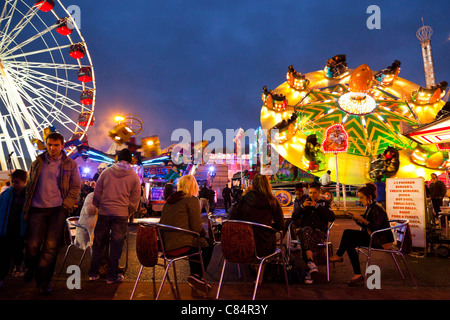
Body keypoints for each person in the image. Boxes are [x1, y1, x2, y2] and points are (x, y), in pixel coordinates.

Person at [23, 132, 81, 295]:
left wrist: (66, 205)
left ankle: (43, 281)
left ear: (62, 146)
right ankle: (32, 268)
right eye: (49, 145)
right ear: (46, 145)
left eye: (56, 145)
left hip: (57, 210)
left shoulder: (70, 164)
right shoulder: (37, 163)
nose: (52, 148)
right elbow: (30, 184)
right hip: (37, 208)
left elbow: (75, 186)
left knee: (51, 248)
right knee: (32, 245)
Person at [88, 148, 141, 284]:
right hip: (121, 214)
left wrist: (98, 204)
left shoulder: (106, 172)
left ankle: (93, 273)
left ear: (118, 159)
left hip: (105, 211)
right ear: (130, 161)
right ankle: (112, 276)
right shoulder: (134, 176)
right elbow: (135, 199)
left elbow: (97, 190)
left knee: (99, 243)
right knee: (116, 245)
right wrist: (129, 211)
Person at [329, 183, 394, 285]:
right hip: (374, 236)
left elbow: (375, 227)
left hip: (380, 240)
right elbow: (365, 225)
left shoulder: (377, 209)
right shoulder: (370, 207)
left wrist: (361, 220)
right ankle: (357, 274)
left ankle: (339, 255)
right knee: (349, 243)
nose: (360, 200)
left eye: (361, 198)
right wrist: (357, 219)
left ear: (369, 197)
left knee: (347, 233)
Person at [159, 175, 213, 292]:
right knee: (208, 244)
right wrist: (205, 234)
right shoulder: (191, 200)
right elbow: (197, 228)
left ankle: (195, 277)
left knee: (195, 244)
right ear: (194, 186)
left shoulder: (170, 201)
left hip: (165, 246)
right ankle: (197, 276)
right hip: (180, 245)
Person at [229, 174, 284, 257]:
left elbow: (234, 219)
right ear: (267, 185)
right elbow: (280, 225)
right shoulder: (272, 201)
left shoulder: (243, 200)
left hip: (245, 243)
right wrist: (267, 227)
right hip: (265, 244)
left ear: (253, 185)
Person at [291, 182, 335, 274]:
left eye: (314, 193)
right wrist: (302, 207)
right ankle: (310, 263)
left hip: (319, 233)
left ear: (319, 193)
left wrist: (316, 206)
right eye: (310, 193)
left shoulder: (323, 204)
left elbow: (332, 217)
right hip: (305, 232)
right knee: (306, 231)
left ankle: (308, 267)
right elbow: (294, 217)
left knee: (306, 234)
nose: (312, 195)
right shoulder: (305, 203)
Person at [0, 169, 28, 288]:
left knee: (17, 250)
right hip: (7, 228)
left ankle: (18, 264)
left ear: (24, 181)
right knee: (4, 254)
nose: (14, 185)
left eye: (17, 182)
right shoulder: (6, 194)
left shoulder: (28, 195)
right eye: (13, 182)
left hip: (20, 229)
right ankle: (2, 276)